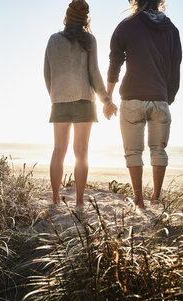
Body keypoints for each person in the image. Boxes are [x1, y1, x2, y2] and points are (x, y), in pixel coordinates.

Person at [104, 0, 182, 208]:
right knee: (159, 150)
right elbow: (175, 68)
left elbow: (115, 63)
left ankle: (138, 200)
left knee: (133, 152)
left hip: (131, 98)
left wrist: (108, 98)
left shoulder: (126, 26)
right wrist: (168, 97)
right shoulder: (172, 30)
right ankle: (156, 198)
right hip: (160, 98)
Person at [44, 0, 111, 207]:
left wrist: (55, 95)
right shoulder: (89, 40)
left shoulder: (53, 40)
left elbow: (47, 72)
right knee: (81, 152)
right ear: (85, 20)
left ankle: (55, 199)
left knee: (58, 150)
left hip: (60, 100)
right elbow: (94, 73)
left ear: (66, 17)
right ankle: (79, 201)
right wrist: (106, 100)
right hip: (84, 100)